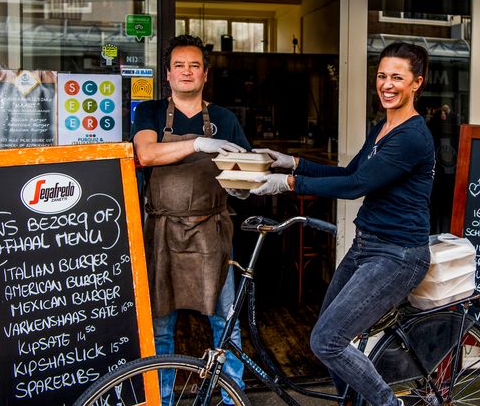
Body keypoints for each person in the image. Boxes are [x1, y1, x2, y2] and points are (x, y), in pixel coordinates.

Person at [250, 42, 435, 406]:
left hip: (399, 254)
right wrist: (295, 163)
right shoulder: (383, 127)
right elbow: (352, 172)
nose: (387, 84)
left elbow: (355, 187)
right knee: (329, 336)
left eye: (397, 77)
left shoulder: (412, 136)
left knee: (326, 340)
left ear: (417, 83)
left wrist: (289, 184)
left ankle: (388, 403)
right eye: (382, 75)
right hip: (367, 246)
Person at [132, 34, 248, 404]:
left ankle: (235, 397)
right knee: (161, 325)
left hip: (211, 233)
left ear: (205, 74)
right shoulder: (149, 112)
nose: (187, 72)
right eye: (179, 65)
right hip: (162, 232)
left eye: (194, 65)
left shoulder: (226, 120)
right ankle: (162, 399)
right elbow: (147, 154)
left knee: (225, 323)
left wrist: (247, 183)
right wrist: (198, 144)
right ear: (167, 74)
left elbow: (243, 173)